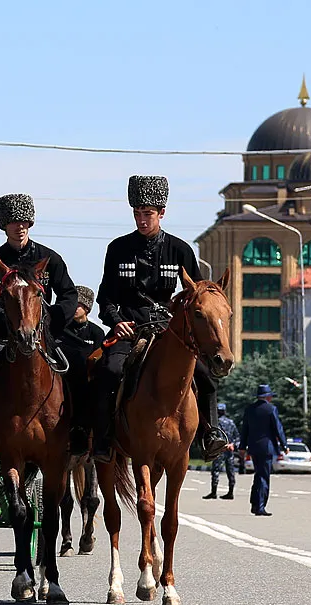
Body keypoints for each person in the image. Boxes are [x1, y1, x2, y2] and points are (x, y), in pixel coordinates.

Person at [91, 175, 227, 463]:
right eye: (137, 214)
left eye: (148, 214)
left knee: (205, 376)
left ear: (161, 213)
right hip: (129, 330)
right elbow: (105, 297)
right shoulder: (118, 249)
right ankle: (102, 441)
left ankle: (211, 434)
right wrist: (116, 321)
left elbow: (199, 293)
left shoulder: (180, 250)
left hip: (168, 331)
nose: (142, 220)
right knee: (109, 371)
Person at [0, 193, 78, 453]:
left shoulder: (51, 259)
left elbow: (69, 294)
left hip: (44, 337)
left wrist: (52, 322)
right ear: (3, 225)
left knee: (77, 368)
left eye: (25, 221)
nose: (20, 227)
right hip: (6, 336)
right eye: (14, 222)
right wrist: (5, 325)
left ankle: (78, 429)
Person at [59, 285, 105, 453]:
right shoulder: (59, 330)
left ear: (86, 308)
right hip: (61, 378)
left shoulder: (97, 333)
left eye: (77, 304)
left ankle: (84, 432)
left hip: (84, 383)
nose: (73, 308)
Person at [240, 384, 288, 516]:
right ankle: (260, 506)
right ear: (267, 397)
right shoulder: (271, 409)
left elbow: (245, 430)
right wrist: (285, 445)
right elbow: (278, 429)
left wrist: (242, 447)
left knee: (258, 475)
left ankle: (254, 504)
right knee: (263, 477)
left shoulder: (249, 409)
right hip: (267, 448)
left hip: (253, 448)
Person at [203, 403, 240, 500]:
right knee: (230, 471)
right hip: (229, 450)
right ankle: (231, 492)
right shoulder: (231, 423)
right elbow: (237, 438)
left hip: (219, 449)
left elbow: (211, 437)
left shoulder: (215, 423)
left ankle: (214, 492)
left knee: (215, 470)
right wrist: (232, 445)